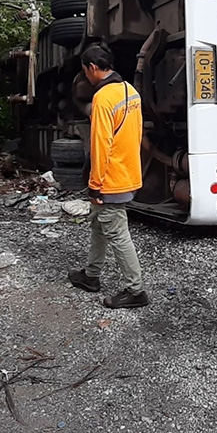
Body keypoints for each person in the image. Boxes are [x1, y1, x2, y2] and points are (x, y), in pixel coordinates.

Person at [66, 46, 148, 310]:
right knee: (98, 225)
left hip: (109, 178)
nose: (86, 77)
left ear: (92, 68)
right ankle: (91, 275)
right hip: (127, 172)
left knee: (117, 232)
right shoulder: (130, 92)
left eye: (85, 71)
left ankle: (135, 290)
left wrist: (95, 184)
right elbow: (135, 135)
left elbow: (101, 143)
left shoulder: (103, 97)